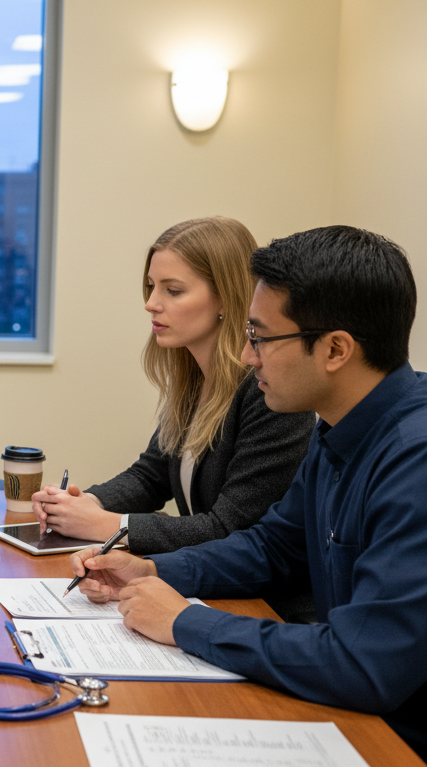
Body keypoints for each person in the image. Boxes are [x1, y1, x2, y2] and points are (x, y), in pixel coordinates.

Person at [69, 226, 427, 762]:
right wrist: (155, 572)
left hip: (411, 742)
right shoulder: (339, 427)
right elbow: (273, 547)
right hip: (353, 710)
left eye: (259, 336)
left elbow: (365, 664)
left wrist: (185, 621)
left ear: (335, 349)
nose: (247, 356)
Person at [33, 217, 313, 554]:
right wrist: (83, 503)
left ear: (226, 296)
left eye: (173, 290)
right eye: (151, 286)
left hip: (264, 600)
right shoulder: (195, 381)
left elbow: (231, 528)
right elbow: (150, 476)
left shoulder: (267, 392)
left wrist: (109, 525)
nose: (151, 303)